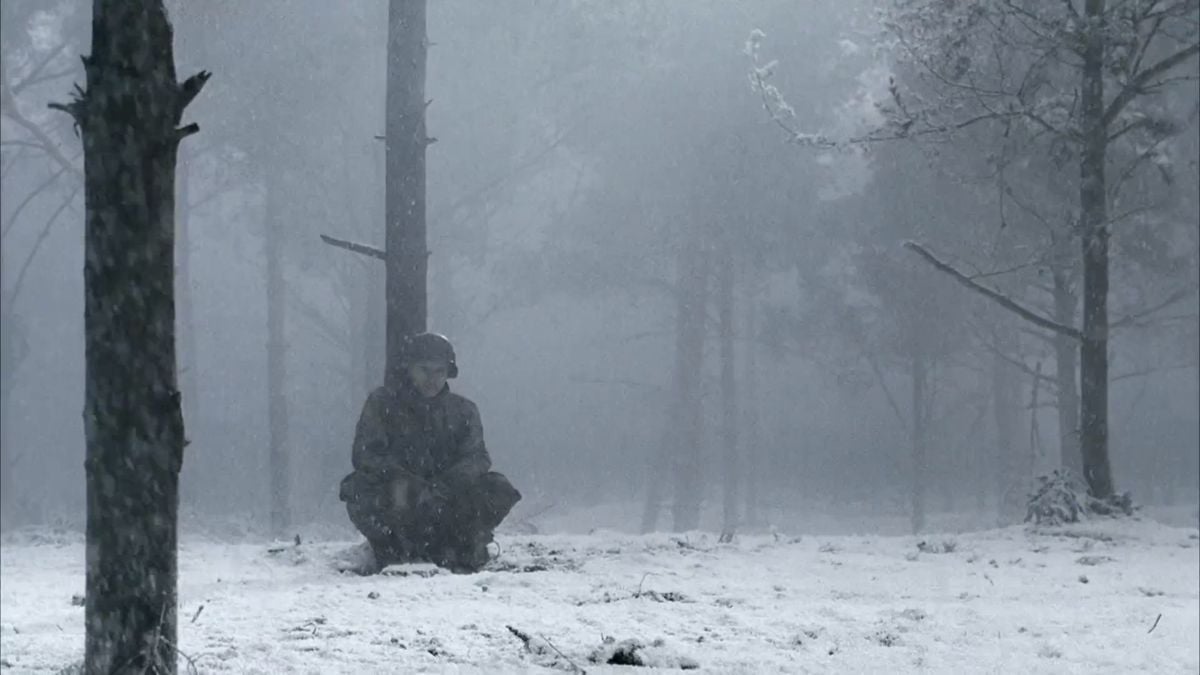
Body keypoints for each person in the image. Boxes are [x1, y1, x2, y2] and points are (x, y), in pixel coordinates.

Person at [339, 333, 521, 573]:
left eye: (439, 371)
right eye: (424, 370)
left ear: (448, 372)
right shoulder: (382, 404)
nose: (432, 379)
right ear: (409, 369)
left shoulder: (464, 411)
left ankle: (460, 546)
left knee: (497, 487)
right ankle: (394, 548)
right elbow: (366, 455)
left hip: (450, 503)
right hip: (398, 500)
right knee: (357, 487)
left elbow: (477, 457)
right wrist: (405, 481)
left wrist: (446, 485)